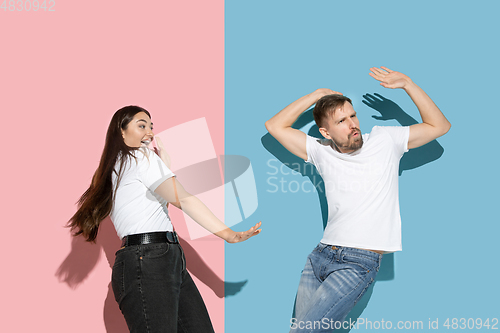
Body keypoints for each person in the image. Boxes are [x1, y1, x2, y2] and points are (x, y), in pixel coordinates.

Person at [265, 67, 450, 332]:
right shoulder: (320, 150)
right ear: (326, 132)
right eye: (341, 121)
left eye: (353, 116)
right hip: (320, 255)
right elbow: (274, 126)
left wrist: (409, 84)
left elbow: (440, 126)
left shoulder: (386, 140)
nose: (353, 124)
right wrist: (316, 95)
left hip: (358, 261)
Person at [68, 105, 262, 333]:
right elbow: (184, 200)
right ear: (121, 131)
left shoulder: (114, 169)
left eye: (151, 127)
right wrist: (228, 234)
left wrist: (165, 165)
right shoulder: (141, 157)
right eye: (141, 125)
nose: (149, 132)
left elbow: (155, 207)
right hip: (149, 260)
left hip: (157, 259)